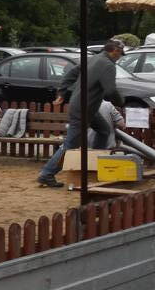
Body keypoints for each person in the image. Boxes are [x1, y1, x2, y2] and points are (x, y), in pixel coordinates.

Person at [37, 40, 126, 188]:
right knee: (70, 144)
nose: (120, 57)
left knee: (104, 130)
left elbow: (72, 72)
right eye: (120, 54)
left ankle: (93, 162)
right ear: (115, 51)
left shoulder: (94, 59)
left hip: (82, 107)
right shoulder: (109, 65)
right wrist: (121, 101)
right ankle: (47, 174)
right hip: (84, 110)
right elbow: (110, 91)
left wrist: (62, 92)